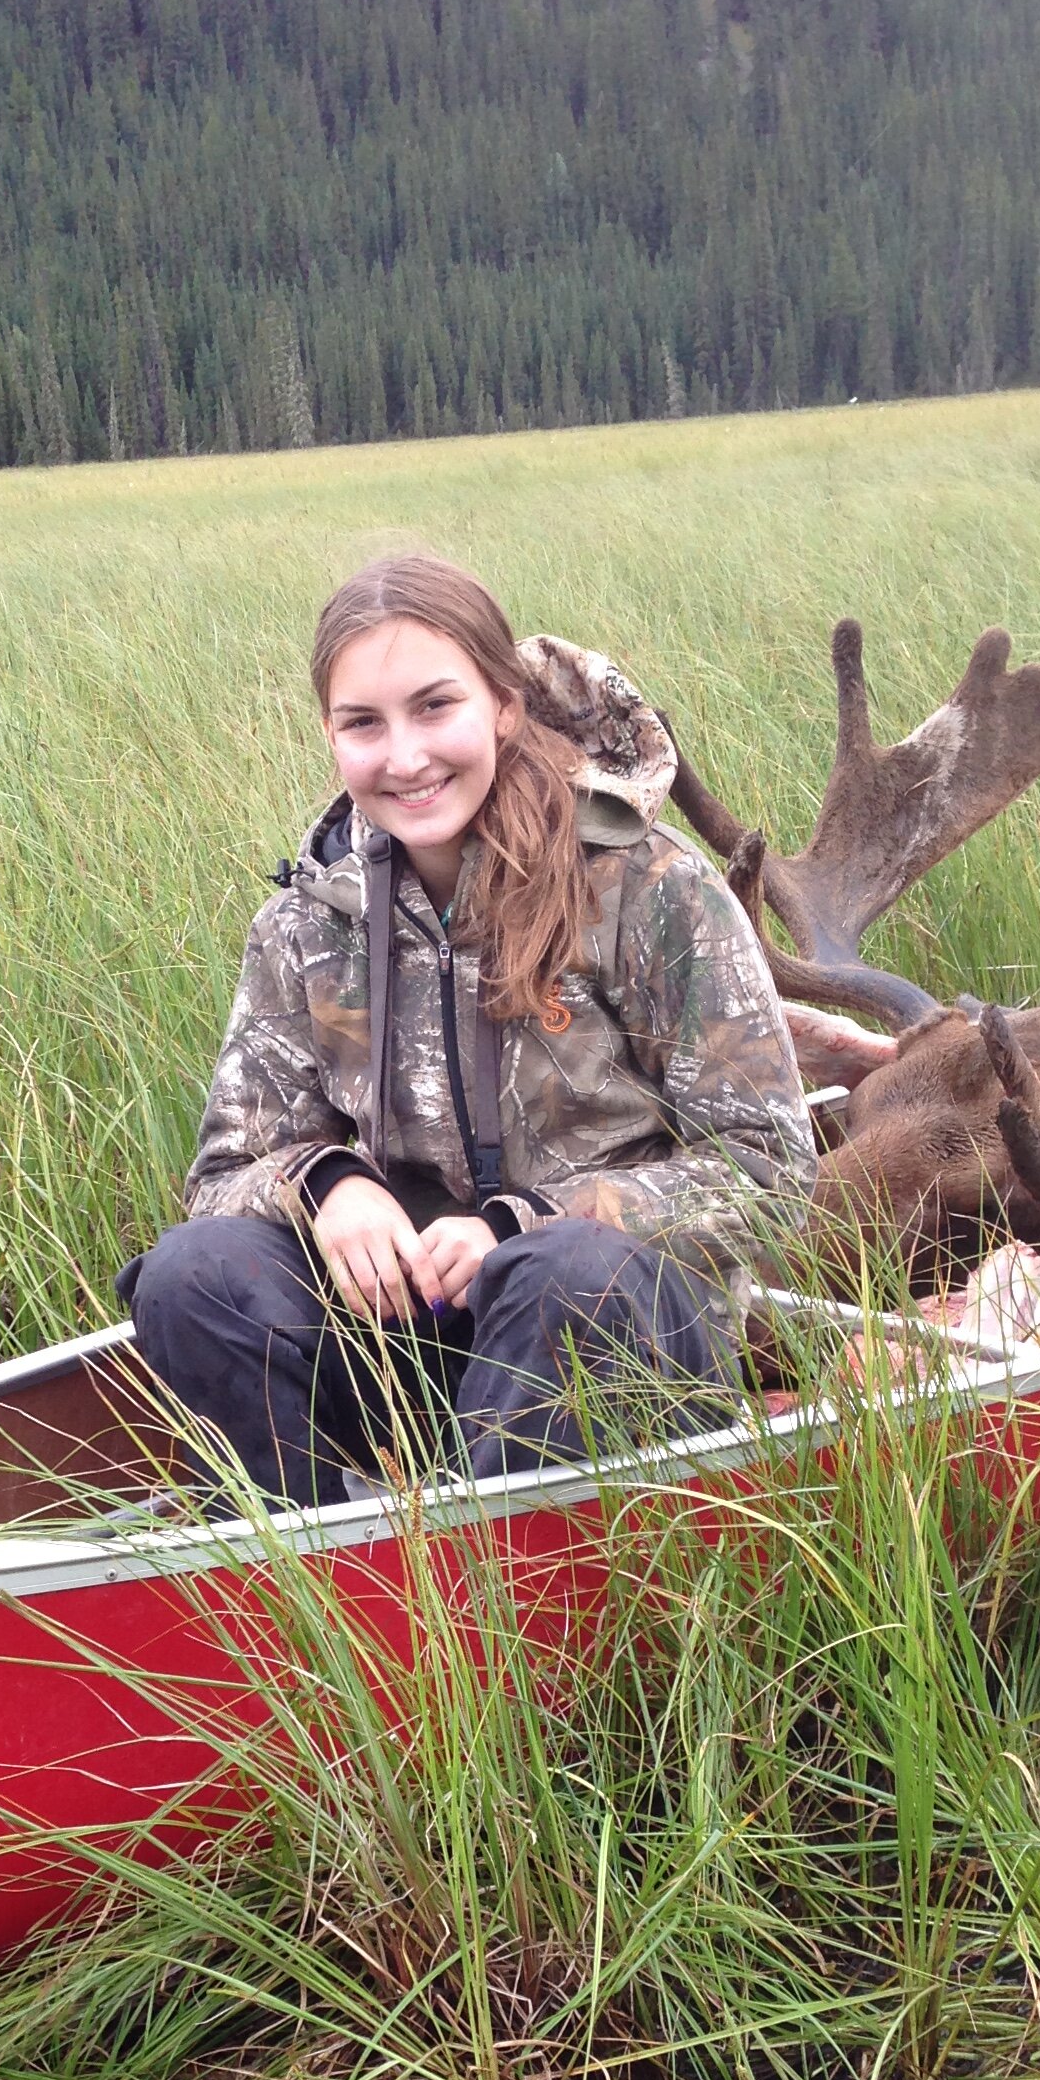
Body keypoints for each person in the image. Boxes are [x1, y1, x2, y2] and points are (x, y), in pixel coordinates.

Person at [125, 553, 827, 1508]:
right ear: (329, 736)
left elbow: (769, 1166)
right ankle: (306, 1566)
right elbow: (221, 1178)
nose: (404, 757)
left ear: (502, 705)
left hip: (607, 1331)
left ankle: (505, 1596)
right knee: (190, 1276)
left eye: (434, 707)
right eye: (362, 724)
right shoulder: (304, 925)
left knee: (560, 1278)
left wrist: (521, 1225)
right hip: (405, 1336)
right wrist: (327, 1186)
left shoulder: (650, 890)